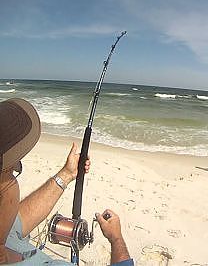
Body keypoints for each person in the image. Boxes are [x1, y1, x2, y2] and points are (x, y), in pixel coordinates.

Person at [0, 98, 133, 265]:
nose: (15, 174)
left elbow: (15, 223)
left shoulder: (4, 233)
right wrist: (116, 238)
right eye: (13, 169)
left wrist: (67, 174)